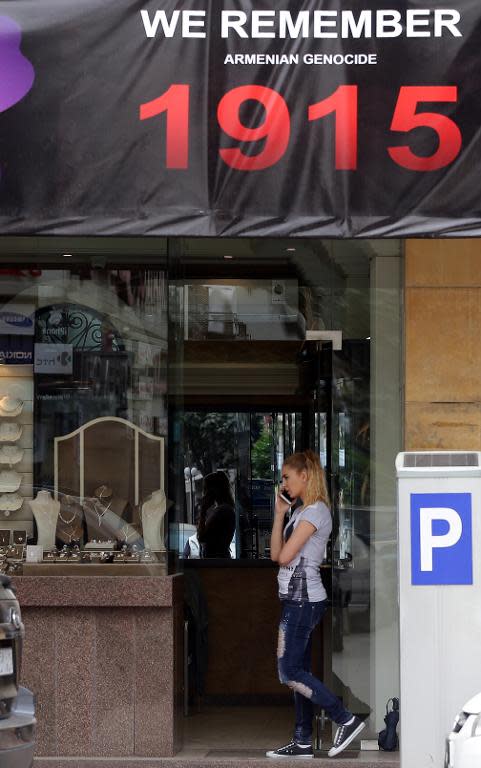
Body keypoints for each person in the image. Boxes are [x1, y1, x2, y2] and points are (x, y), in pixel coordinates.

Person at [266, 450, 365, 759]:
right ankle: (302, 740)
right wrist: (280, 513)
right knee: (300, 671)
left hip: (304, 600)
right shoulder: (298, 512)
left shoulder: (316, 512)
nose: (283, 483)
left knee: (289, 671)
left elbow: (284, 557)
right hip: (295, 600)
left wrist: (286, 518)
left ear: (305, 476)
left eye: (287, 477)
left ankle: (345, 718)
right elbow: (274, 556)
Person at [197, 470, 236, 558]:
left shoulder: (222, 511)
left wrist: (203, 511)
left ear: (213, 490)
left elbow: (202, 537)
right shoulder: (223, 509)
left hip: (216, 561)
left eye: (205, 489)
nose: (204, 493)